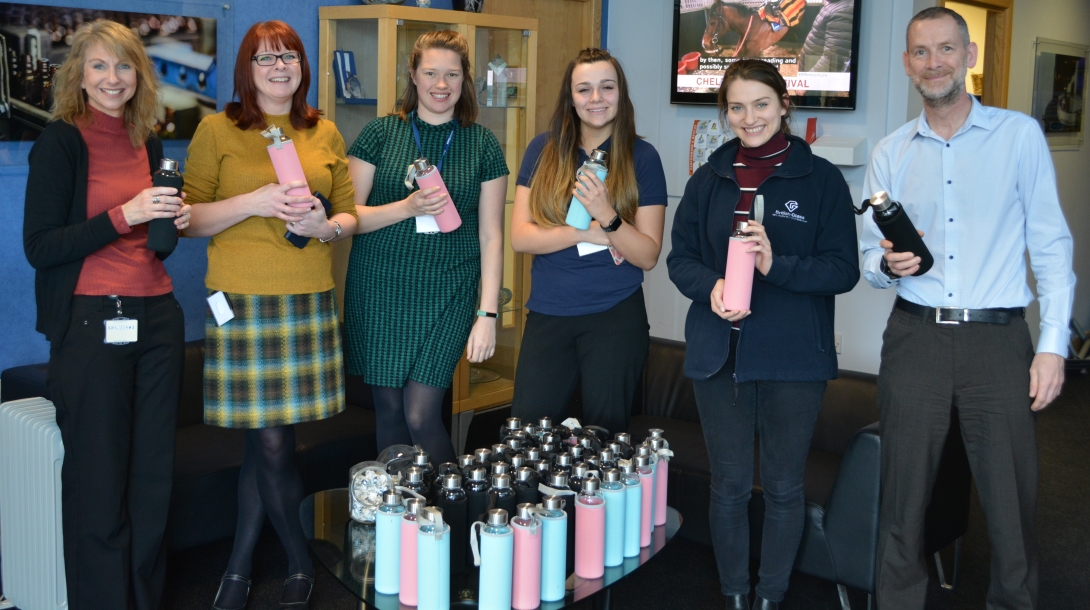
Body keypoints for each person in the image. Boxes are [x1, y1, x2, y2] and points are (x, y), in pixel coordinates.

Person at [861, 8, 1075, 610]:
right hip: (915, 338)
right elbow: (865, 259)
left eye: (946, 49)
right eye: (921, 52)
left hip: (996, 340)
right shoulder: (890, 152)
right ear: (907, 64)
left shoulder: (1019, 136)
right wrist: (885, 265)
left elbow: (1051, 244)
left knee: (1011, 504)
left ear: (970, 55)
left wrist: (1054, 343)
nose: (934, 63)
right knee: (902, 499)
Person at [667, 59, 859, 610]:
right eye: (736, 106)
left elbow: (842, 270)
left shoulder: (820, 179)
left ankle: (771, 597)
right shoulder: (708, 178)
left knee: (782, 489)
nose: (748, 117)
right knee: (727, 487)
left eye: (760, 104)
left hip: (793, 360)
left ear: (784, 106)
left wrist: (779, 266)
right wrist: (710, 288)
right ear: (724, 112)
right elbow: (680, 259)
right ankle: (733, 595)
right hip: (716, 355)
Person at [183, 20, 358, 610]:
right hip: (241, 303)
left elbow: (349, 215)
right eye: (265, 59)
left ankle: (236, 567)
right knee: (272, 444)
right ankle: (297, 564)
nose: (280, 67)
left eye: (289, 57)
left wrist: (325, 225)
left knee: (267, 446)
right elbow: (189, 221)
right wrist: (254, 202)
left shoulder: (323, 130)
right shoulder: (217, 129)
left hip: (305, 299)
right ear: (247, 70)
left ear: (303, 67)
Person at [22, 19, 191, 610]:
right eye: (98, 66)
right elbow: (40, 246)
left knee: (151, 482)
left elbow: (152, 230)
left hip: (159, 318)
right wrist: (128, 212)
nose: (112, 78)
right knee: (98, 484)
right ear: (79, 76)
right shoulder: (61, 141)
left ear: (139, 74)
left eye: (123, 66)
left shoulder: (148, 140)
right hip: (93, 323)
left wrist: (172, 218)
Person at [344, 30, 507, 464]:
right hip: (380, 290)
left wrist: (487, 314)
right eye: (431, 72)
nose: (441, 84)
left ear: (464, 80)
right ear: (412, 76)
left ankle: (452, 514)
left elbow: (492, 236)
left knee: (420, 414)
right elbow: (348, 219)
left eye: (452, 74)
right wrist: (407, 205)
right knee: (391, 412)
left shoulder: (482, 144)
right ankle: (400, 522)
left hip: (449, 293)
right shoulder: (379, 134)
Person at [509, 48, 667, 436]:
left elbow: (647, 255)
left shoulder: (642, 157)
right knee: (526, 434)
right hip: (549, 312)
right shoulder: (542, 150)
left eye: (606, 87)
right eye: (584, 89)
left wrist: (607, 215)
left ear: (620, 93)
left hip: (614, 317)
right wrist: (584, 232)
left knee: (605, 438)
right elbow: (520, 237)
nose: (596, 98)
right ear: (571, 96)